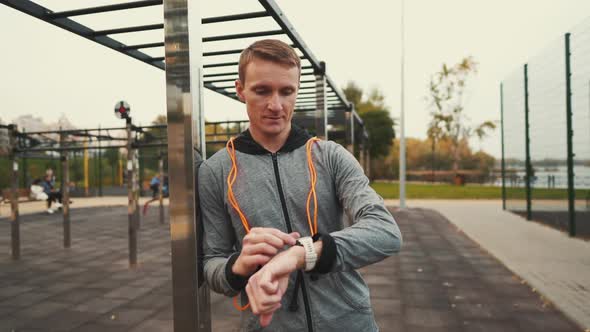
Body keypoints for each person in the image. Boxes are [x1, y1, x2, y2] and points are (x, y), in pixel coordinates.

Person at [198, 39, 402, 331]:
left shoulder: (330, 156)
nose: (275, 105)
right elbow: (212, 263)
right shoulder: (215, 171)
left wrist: (301, 254)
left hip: (349, 322)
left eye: (286, 91)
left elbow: (386, 231)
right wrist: (239, 265)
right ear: (240, 90)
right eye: (262, 90)